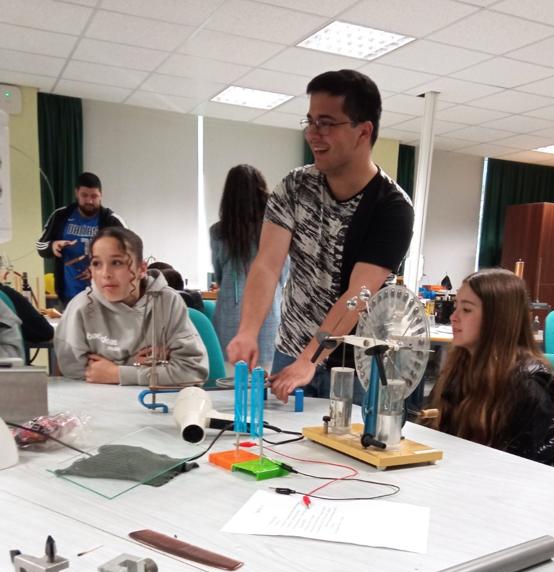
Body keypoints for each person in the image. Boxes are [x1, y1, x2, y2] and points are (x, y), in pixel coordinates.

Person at [227, 69, 414, 402]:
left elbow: (359, 293)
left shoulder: (392, 207)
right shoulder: (294, 187)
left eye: (326, 123)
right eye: (310, 121)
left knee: (345, 436)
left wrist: (310, 360)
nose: (313, 134)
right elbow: (267, 265)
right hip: (290, 352)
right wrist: (248, 331)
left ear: (364, 131)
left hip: (355, 365)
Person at [423, 268, 554, 467]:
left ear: (497, 319)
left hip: (502, 481)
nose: (453, 317)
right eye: (456, 307)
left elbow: (529, 470)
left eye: (466, 309)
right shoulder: (459, 365)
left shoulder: (528, 384)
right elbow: (434, 434)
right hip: (459, 472)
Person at [54, 227, 208, 386]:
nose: (105, 273)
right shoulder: (81, 308)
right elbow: (76, 373)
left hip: (155, 399)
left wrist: (118, 373)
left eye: (116, 263)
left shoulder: (167, 302)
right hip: (96, 399)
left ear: (142, 269)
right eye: (97, 263)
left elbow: (193, 372)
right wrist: (141, 366)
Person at [210, 164, 287, 371]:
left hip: (228, 312)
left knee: (230, 377)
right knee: (266, 376)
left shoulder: (218, 232)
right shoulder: (275, 231)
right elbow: (283, 274)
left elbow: (218, 274)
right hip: (269, 309)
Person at [36, 172, 125, 306]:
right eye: (84, 195)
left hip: (104, 298)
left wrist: (99, 269)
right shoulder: (60, 216)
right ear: (76, 193)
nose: (89, 201)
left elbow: (129, 255)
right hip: (68, 297)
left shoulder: (112, 221)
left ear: (101, 195)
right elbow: (40, 246)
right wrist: (52, 246)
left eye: (94, 196)